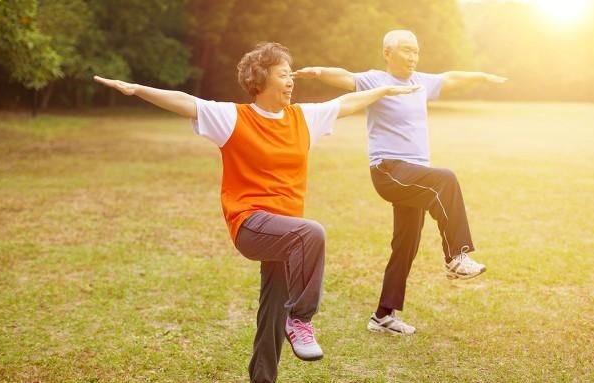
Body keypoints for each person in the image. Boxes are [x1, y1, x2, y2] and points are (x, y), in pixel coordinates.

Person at [94, 42, 419, 382]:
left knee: (272, 308)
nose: (291, 81)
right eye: (283, 75)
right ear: (261, 80)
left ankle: (263, 376)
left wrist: (383, 89)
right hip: (250, 224)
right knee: (312, 233)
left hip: (286, 233)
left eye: (291, 74)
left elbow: (345, 103)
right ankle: (302, 319)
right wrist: (136, 89)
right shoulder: (233, 117)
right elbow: (186, 102)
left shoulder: (303, 118)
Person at [293, 30, 507, 335]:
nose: (412, 56)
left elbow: (451, 77)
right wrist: (318, 72)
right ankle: (456, 257)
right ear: (387, 53)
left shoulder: (421, 82)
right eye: (406, 50)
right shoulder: (375, 80)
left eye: (416, 51)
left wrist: (481, 77)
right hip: (389, 169)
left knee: (406, 245)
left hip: (415, 177)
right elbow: (345, 77)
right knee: (445, 181)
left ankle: (382, 316)